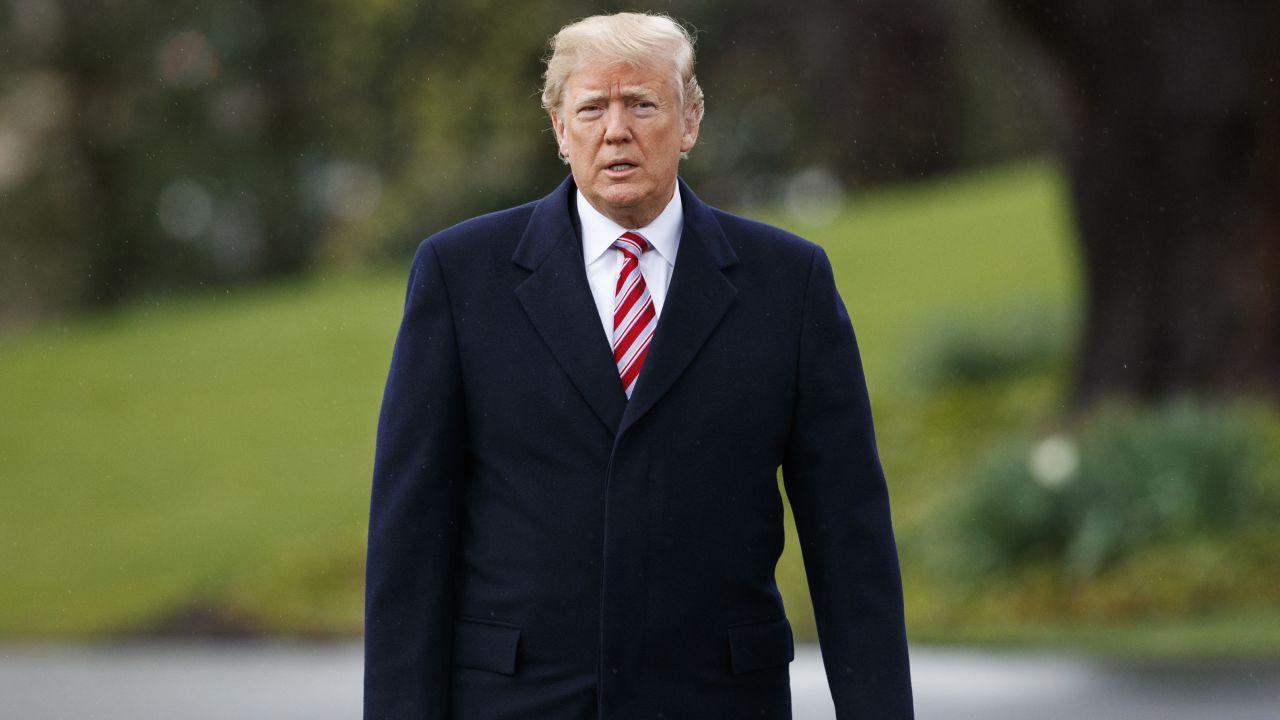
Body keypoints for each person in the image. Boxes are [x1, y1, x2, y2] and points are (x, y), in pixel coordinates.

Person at [364, 11, 913, 720]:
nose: (615, 130)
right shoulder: (460, 276)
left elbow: (851, 539)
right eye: (591, 108)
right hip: (520, 702)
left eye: (642, 104)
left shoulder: (790, 283)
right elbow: (410, 543)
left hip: (719, 700)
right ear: (561, 130)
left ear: (690, 120)